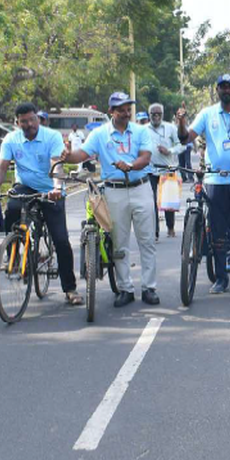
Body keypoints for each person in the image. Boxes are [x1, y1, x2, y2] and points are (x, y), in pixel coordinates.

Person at [65, 92, 158, 306]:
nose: (126, 113)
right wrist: (68, 156)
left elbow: (145, 158)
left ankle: (149, 288)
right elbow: (82, 155)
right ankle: (125, 289)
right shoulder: (99, 134)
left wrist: (131, 165)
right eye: (121, 110)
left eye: (128, 109)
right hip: (114, 191)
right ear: (111, 112)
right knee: (119, 244)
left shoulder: (141, 131)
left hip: (141, 187)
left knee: (147, 241)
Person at [0, 102, 82, 306]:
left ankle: (70, 289)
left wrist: (57, 187)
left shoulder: (51, 137)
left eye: (32, 119)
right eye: (24, 121)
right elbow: (1, 168)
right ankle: (13, 246)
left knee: (61, 239)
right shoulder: (11, 139)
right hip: (25, 186)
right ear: (17, 122)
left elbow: (56, 164)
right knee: (12, 208)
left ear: (38, 119)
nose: (29, 124)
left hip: (50, 189)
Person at [179, 74, 230, 295]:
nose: (226, 90)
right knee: (218, 233)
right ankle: (221, 279)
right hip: (215, 182)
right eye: (222, 87)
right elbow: (185, 138)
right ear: (217, 90)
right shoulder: (207, 114)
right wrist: (181, 122)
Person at [145, 103, 184, 240]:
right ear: (149, 115)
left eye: (158, 114)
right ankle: (154, 232)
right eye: (153, 114)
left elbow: (181, 146)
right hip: (150, 169)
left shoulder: (170, 128)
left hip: (167, 169)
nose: (156, 116)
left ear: (162, 114)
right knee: (151, 202)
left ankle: (170, 227)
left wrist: (169, 151)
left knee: (168, 202)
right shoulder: (143, 130)